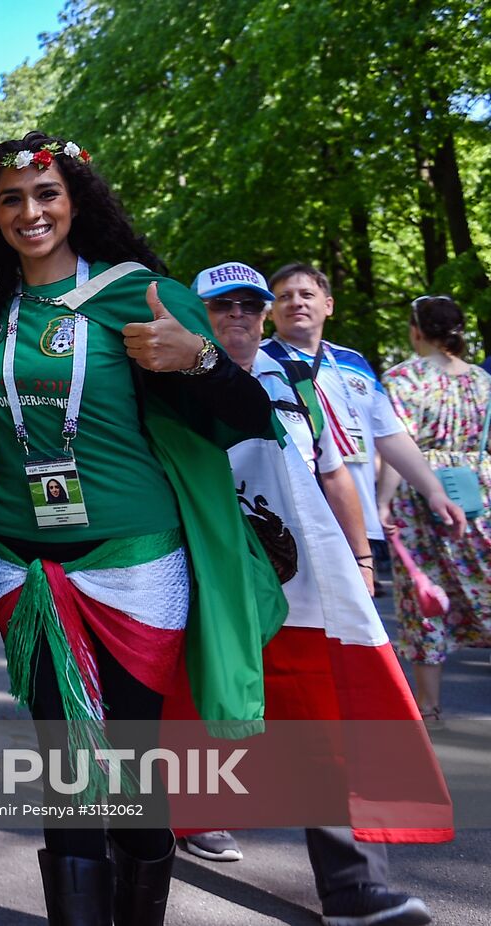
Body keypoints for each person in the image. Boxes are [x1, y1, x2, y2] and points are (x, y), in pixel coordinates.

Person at [0, 134, 279, 925]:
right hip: (19, 567)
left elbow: (250, 419)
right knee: (63, 765)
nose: (32, 211)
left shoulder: (143, 297)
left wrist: (199, 358)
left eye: (48, 194)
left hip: (134, 562)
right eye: (12, 200)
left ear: (77, 202)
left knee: (129, 766)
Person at [190, 262, 438, 926]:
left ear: (265, 314)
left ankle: (354, 887)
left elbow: (337, 476)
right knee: (196, 705)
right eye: (220, 305)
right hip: (207, 584)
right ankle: (188, 815)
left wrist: (359, 560)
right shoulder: (164, 382)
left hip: (298, 585)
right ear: (199, 314)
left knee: (319, 721)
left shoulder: (299, 380)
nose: (236, 314)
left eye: (249, 304)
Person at [264, 264, 466, 584]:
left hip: (357, 523)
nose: (296, 302)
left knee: (359, 628)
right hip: (287, 523)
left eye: (307, 294)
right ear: (271, 310)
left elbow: (391, 434)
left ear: (328, 305)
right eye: (284, 297)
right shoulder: (259, 361)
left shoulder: (353, 363)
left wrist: (434, 491)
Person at [378, 295, 491, 729]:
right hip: (475, 490)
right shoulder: (483, 380)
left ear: (416, 331)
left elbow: (395, 448)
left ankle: (429, 709)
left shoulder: (402, 379)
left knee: (423, 601)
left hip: (417, 490)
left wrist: (384, 502)